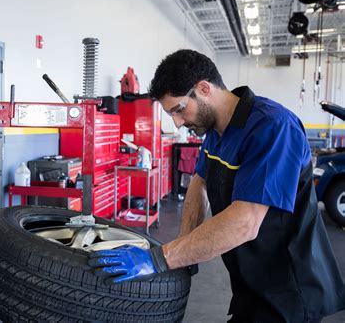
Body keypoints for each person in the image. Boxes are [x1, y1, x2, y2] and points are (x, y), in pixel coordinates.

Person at [88, 50, 345, 322]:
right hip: (250, 284)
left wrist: (160, 258)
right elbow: (198, 185)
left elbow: (245, 222)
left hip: (289, 290)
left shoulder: (273, 127)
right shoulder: (215, 132)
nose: (177, 122)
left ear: (203, 88)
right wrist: (183, 248)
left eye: (178, 109)